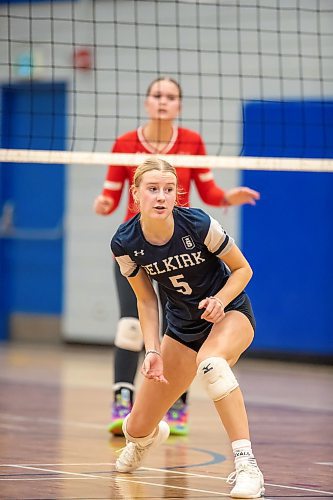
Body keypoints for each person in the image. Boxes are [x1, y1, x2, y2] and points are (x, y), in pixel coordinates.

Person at [94, 77, 260, 437]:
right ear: (147, 102)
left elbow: (209, 190)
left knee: (181, 324)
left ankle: (176, 404)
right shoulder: (124, 143)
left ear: (179, 105)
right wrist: (104, 204)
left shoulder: (191, 142)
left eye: (171, 97)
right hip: (138, 247)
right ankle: (122, 399)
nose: (163, 101)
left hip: (182, 245)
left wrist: (230, 197)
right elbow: (110, 193)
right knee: (132, 323)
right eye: (157, 95)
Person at [111, 157, 265, 499]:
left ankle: (247, 466)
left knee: (213, 365)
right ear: (136, 194)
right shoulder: (124, 242)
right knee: (135, 427)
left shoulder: (197, 224)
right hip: (181, 330)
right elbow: (147, 301)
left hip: (229, 315)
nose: (161, 197)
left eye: (168, 190)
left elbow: (243, 270)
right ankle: (146, 439)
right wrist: (152, 350)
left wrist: (221, 300)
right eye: (152, 190)